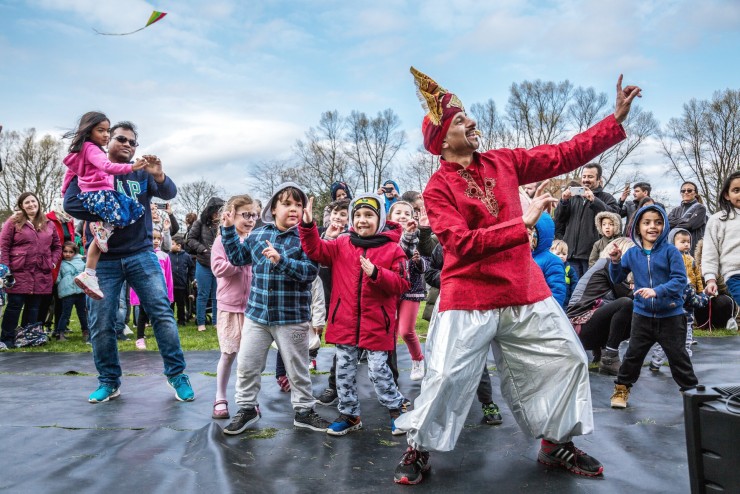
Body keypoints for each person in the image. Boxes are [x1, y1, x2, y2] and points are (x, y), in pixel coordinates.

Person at [391, 67, 640, 485]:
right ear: (441, 140)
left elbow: (563, 154)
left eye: (467, 115)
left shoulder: (503, 161)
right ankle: (419, 448)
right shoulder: (437, 188)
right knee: (447, 376)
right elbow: (459, 243)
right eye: (458, 120)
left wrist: (613, 121)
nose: (470, 122)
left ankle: (555, 443)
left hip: (524, 289)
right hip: (468, 295)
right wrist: (518, 224)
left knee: (568, 360)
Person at [63, 120, 194, 404]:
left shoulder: (140, 172)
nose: (127, 145)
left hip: (141, 253)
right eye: (121, 139)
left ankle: (177, 375)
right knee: (101, 322)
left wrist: (158, 175)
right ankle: (109, 381)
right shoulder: (90, 167)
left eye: (132, 142)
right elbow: (70, 204)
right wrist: (107, 206)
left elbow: (169, 193)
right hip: (105, 261)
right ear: (107, 141)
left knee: (161, 312)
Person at [220, 182, 330, 435]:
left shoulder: (306, 238)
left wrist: (281, 261)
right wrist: (227, 230)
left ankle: (304, 411)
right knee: (247, 365)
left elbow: (309, 272)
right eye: (287, 204)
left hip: (291, 317)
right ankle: (247, 408)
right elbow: (237, 258)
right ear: (273, 208)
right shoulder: (258, 235)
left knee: (298, 369)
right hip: (257, 316)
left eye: (299, 205)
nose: (294, 209)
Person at [300, 194, 410, 436]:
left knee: (379, 372)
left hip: (376, 325)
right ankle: (350, 415)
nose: (362, 220)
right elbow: (315, 250)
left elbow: (403, 284)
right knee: (344, 373)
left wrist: (377, 274)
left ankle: (396, 410)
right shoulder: (341, 244)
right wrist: (308, 226)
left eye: (369, 215)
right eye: (358, 215)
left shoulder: (393, 249)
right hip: (345, 325)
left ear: (380, 219)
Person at [608, 205, 699, 409]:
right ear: (637, 227)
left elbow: (679, 280)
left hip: (671, 316)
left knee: (679, 357)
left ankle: (691, 393)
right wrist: (614, 262)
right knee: (633, 356)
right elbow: (617, 278)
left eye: (658, 222)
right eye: (647, 222)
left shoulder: (671, 252)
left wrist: (657, 290)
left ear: (665, 226)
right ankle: (621, 389)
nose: (652, 227)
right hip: (642, 315)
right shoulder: (632, 254)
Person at [61, 111, 148, 300]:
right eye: (101, 130)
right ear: (89, 130)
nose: (106, 135)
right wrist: (131, 167)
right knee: (133, 210)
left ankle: (89, 273)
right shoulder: (92, 149)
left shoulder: (81, 151)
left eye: (108, 131)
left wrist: (64, 190)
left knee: (102, 237)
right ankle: (99, 229)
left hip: (95, 196)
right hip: (101, 195)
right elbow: (107, 167)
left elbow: (70, 173)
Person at [425, 241, 504, 425]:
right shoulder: (443, 245)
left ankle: (487, 402)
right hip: (448, 310)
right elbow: (430, 273)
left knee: (476, 359)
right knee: (442, 358)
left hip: (475, 311)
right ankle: (438, 404)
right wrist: (450, 278)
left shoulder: (482, 242)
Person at [210, 195, 256, 420]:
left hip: (251, 308)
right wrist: (238, 264)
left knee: (249, 358)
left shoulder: (254, 239)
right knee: (228, 354)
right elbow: (218, 268)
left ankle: (248, 400)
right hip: (229, 307)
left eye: (253, 215)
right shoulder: (221, 240)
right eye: (245, 215)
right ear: (232, 215)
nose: (250, 219)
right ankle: (220, 396)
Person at [0, 192, 62, 348]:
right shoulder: (14, 222)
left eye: (33, 201)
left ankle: (26, 337)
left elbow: (57, 247)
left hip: (41, 272)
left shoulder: (48, 223)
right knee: (15, 306)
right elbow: (4, 246)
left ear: (38, 203)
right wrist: (5, 268)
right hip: (18, 271)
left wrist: (53, 262)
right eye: (27, 202)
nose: (31, 205)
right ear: (21, 205)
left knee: (33, 307)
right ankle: (6, 339)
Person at [566, 237, 635, 375]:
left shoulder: (602, 264)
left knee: (623, 309)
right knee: (626, 305)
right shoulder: (609, 264)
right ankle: (610, 359)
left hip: (578, 326)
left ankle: (601, 353)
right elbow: (627, 295)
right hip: (579, 325)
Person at [649, 228, 708, 371]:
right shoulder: (674, 262)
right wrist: (705, 296)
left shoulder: (690, 260)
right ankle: (683, 365)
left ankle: (656, 363)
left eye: (688, 242)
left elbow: (697, 275)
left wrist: (700, 290)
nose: (686, 245)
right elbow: (696, 302)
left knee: (665, 340)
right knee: (685, 342)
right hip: (684, 317)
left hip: (668, 316)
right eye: (682, 242)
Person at [554, 163, 620, 278]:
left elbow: (614, 216)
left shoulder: (606, 198)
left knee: (587, 290)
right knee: (572, 289)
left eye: (590, 177)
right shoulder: (573, 197)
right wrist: (563, 201)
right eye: (584, 176)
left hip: (591, 256)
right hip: (570, 255)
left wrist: (594, 201)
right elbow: (559, 219)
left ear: (599, 179)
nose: (586, 180)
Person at [388, 201, 428, 380]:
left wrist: (419, 262)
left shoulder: (418, 236)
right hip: (391, 288)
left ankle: (418, 359)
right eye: (398, 213)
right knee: (390, 332)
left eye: (407, 213)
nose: (402, 216)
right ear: (390, 217)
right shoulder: (386, 236)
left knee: (406, 330)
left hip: (412, 289)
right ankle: (389, 370)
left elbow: (427, 263)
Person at [40, 197, 78, 334]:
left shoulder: (68, 220)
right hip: (52, 263)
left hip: (66, 263)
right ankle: (43, 325)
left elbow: (71, 241)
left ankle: (60, 327)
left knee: (62, 295)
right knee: (48, 297)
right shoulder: (47, 219)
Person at [186, 197, 225, 332]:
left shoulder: (223, 224)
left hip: (219, 265)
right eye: (215, 211)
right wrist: (202, 249)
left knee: (217, 295)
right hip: (203, 264)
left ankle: (216, 322)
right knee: (202, 294)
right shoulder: (199, 223)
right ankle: (201, 323)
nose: (217, 214)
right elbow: (190, 239)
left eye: (220, 211)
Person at [702, 171, 740, 307]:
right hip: (735, 275)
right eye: (736, 190)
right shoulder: (718, 220)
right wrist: (710, 279)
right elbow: (709, 252)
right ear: (727, 195)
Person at [131, 229, 173, 350]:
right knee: (143, 314)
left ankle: (163, 338)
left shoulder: (164, 256)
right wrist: (135, 296)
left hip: (160, 290)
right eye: (153, 238)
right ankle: (140, 338)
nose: (155, 241)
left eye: (158, 239)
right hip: (145, 290)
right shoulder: (141, 255)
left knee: (161, 314)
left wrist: (169, 295)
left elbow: (169, 277)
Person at [693, 238, 737, 330]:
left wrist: (715, 277)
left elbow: (729, 292)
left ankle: (725, 324)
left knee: (724, 301)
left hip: (720, 305)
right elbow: (692, 291)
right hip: (701, 304)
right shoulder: (694, 268)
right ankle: (699, 324)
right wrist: (701, 277)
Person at [529, 213, 566, 307]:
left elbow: (557, 291)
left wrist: (551, 313)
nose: (528, 237)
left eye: (531, 233)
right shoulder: (526, 257)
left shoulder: (553, 261)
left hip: (544, 314)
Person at [54, 241, 89, 342]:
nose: (67, 254)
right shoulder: (60, 264)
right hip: (67, 292)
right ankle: (60, 333)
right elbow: (58, 278)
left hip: (80, 291)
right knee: (65, 313)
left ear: (75, 253)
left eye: (70, 252)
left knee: (82, 313)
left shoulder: (81, 262)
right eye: (65, 251)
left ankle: (86, 331)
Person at [667, 181, 707, 254]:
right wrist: (686, 220)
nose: (686, 192)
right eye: (683, 190)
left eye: (689, 190)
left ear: (695, 193)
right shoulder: (675, 210)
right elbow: (667, 224)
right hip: (675, 251)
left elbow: (691, 225)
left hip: (692, 251)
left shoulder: (701, 208)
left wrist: (675, 223)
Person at [169, 235, 195, 325]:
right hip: (170, 285)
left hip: (182, 285)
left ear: (179, 246)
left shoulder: (186, 256)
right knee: (170, 304)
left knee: (181, 304)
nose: (170, 246)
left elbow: (191, 268)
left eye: (172, 244)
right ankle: (170, 320)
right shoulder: (168, 256)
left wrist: (192, 279)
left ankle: (181, 320)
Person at [550, 239, 579, 307]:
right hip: (552, 300)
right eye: (558, 254)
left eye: (564, 254)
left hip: (566, 302)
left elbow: (575, 285)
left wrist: (573, 300)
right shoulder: (549, 268)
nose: (561, 256)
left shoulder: (569, 269)